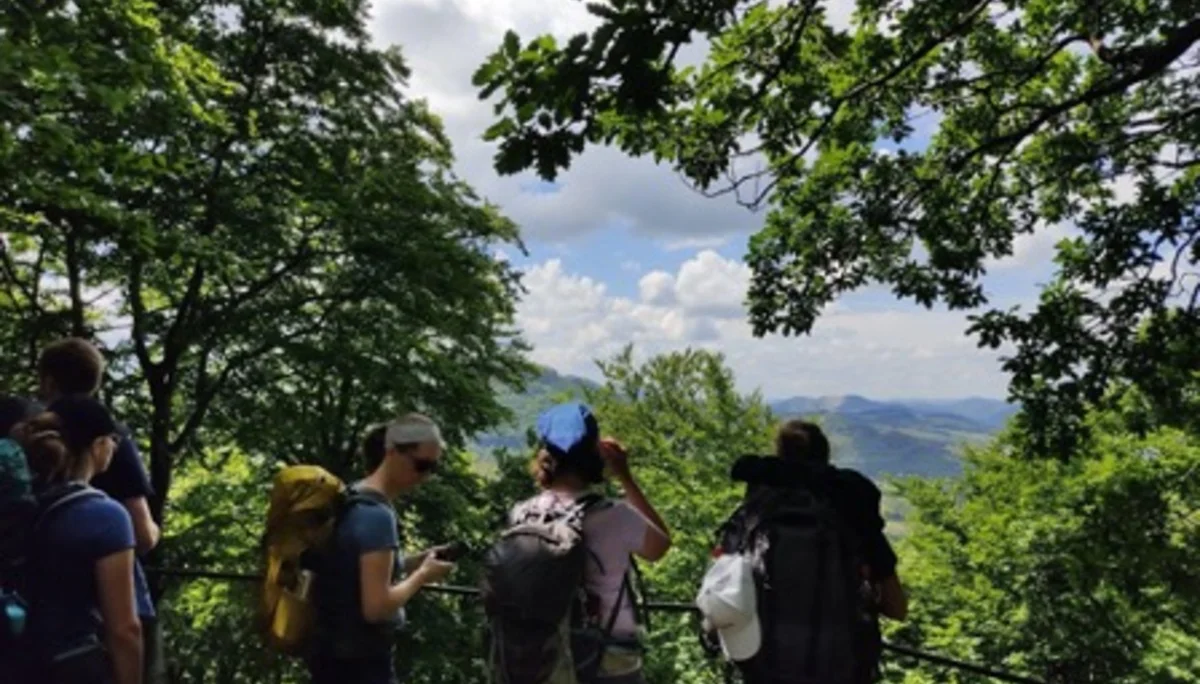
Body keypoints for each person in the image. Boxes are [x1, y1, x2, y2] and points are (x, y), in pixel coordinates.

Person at [704, 419, 907, 684]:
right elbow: (897, 608)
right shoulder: (854, 514)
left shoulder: (752, 516)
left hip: (763, 669)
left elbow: (719, 603)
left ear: (779, 458)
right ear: (826, 458)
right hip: (840, 671)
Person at [509, 402, 672, 684]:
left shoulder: (522, 514)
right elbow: (660, 545)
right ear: (595, 456)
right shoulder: (617, 515)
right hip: (607, 659)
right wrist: (625, 476)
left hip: (539, 657)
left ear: (545, 457)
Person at [34, 338, 164, 684]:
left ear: (48, 381)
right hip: (103, 628)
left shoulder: (25, 437)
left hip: (34, 637)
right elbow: (143, 534)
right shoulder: (106, 434)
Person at [306, 414, 457, 684]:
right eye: (422, 465)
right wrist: (422, 576)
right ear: (392, 452)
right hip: (362, 662)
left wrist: (418, 560)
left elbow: (356, 570)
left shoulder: (352, 496)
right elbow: (376, 608)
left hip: (329, 652)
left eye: (433, 467)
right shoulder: (377, 516)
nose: (426, 476)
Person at [14, 395, 142, 684]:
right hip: (72, 662)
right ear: (98, 446)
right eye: (113, 439)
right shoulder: (103, 515)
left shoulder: (16, 504)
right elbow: (124, 629)